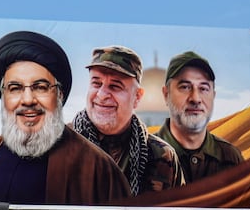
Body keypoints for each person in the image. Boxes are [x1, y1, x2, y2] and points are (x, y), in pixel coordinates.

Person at [0, 30, 128, 207]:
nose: (27, 100)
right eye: (15, 88)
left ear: (59, 94)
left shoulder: (98, 169)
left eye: (40, 87)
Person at [70, 45, 182, 195]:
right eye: (96, 83)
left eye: (115, 86)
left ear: (137, 97)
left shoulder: (161, 156)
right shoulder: (59, 146)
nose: (102, 95)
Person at [159, 51, 244, 183]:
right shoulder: (142, 155)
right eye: (185, 87)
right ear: (166, 94)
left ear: (213, 96)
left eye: (203, 88)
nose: (196, 98)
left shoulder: (231, 159)